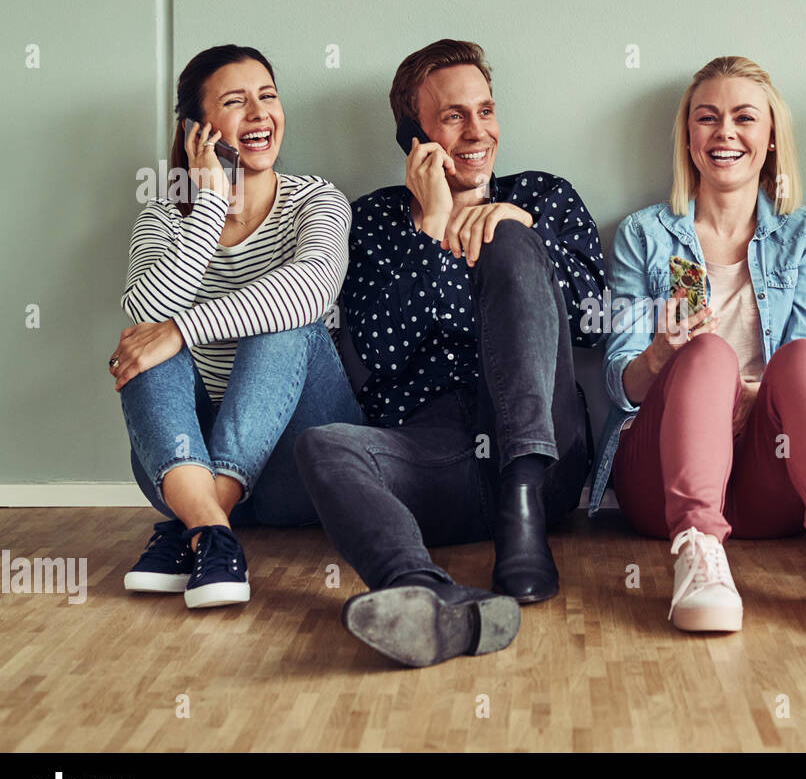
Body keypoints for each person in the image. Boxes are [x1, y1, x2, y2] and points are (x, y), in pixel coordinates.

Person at [294, 39, 606, 668]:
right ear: (415, 138)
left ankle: (522, 515)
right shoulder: (376, 222)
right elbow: (377, 357)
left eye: (485, 110)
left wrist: (520, 234)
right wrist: (430, 229)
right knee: (322, 445)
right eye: (454, 116)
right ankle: (423, 591)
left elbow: (594, 324)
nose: (477, 131)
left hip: (543, 455)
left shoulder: (543, 196)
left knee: (507, 239)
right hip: (438, 459)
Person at [590, 56, 806, 635]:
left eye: (744, 118)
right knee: (707, 356)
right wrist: (660, 355)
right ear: (688, 135)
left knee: (805, 358)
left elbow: (804, 370)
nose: (725, 132)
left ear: (771, 136)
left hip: (767, 475)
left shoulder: (803, 232)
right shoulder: (644, 235)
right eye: (707, 118)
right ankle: (698, 554)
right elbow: (619, 387)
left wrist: (742, 402)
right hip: (660, 485)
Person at [113, 44, 362, 609]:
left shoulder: (316, 200)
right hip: (184, 463)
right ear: (197, 131)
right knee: (143, 343)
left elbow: (312, 289)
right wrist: (207, 208)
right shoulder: (160, 218)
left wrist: (181, 328)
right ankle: (215, 532)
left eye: (268, 96)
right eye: (235, 101)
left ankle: (197, 528)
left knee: (284, 321)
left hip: (304, 465)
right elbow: (147, 310)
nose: (259, 113)